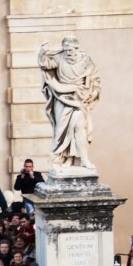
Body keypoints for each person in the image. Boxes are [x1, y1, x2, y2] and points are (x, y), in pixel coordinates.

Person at [38, 36, 100, 169]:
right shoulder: (59, 58)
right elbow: (46, 64)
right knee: (64, 130)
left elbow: (95, 78)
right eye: (66, 50)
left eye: (70, 50)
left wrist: (94, 91)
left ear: (76, 48)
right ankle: (68, 159)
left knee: (79, 126)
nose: (68, 53)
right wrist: (42, 52)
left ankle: (83, 159)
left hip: (80, 97)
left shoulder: (85, 59)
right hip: (62, 97)